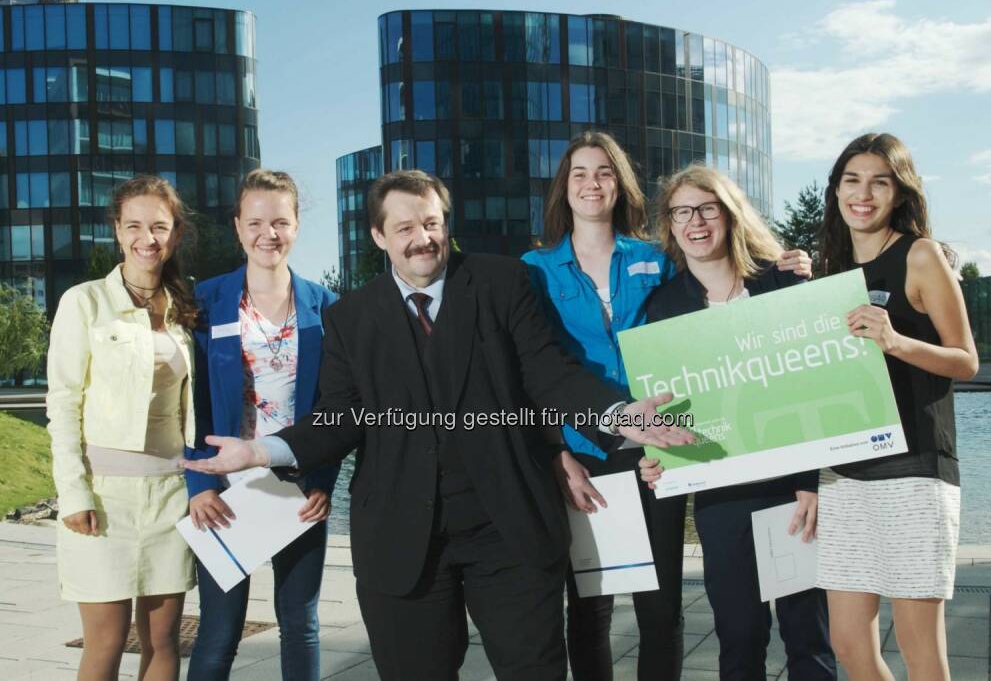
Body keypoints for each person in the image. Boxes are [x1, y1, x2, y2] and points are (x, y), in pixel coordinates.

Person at [182, 169, 693, 681]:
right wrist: (261, 452)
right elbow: (337, 419)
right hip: (403, 543)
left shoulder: (503, 283)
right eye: (404, 228)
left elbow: (549, 373)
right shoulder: (353, 318)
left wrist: (615, 412)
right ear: (380, 237)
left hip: (507, 531)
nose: (421, 239)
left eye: (431, 223)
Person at [523, 132, 814, 681]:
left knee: (661, 608)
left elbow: (722, 306)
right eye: (580, 173)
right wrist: (556, 453)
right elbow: (532, 370)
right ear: (564, 186)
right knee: (590, 608)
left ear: (621, 185)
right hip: (584, 457)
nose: (592, 183)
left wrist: (783, 268)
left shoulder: (655, 260)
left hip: (658, 454)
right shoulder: (534, 269)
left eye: (605, 171)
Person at [642, 165, 837, 681]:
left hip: (790, 489)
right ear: (671, 224)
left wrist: (810, 482)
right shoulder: (663, 308)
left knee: (808, 639)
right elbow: (666, 407)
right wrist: (661, 457)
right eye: (683, 212)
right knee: (740, 638)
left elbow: (814, 385)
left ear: (729, 216)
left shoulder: (781, 282)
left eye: (707, 209)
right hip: (720, 497)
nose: (696, 222)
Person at [815, 133, 978, 681]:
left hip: (913, 471)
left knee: (920, 650)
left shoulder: (921, 255)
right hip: (843, 473)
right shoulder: (830, 271)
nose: (863, 194)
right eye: (852, 180)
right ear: (836, 189)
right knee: (847, 643)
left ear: (899, 192)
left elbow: (966, 360)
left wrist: (896, 342)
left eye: (879, 182)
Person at [184, 169, 340, 680]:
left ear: (296, 226)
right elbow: (192, 403)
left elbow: (335, 410)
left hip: (295, 487)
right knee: (219, 629)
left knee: (301, 624)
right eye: (255, 222)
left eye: (280, 222)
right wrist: (199, 484)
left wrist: (320, 483)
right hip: (224, 491)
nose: (267, 234)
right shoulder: (207, 301)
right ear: (237, 226)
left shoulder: (327, 308)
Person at [47, 175, 197, 681]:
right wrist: (73, 494)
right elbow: (63, 403)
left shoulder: (185, 310)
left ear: (175, 233)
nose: (146, 238)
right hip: (105, 498)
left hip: (170, 494)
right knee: (106, 644)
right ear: (117, 230)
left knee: (162, 641)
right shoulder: (84, 302)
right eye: (134, 225)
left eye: (159, 226)